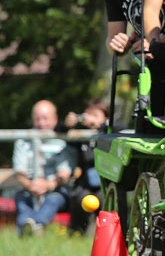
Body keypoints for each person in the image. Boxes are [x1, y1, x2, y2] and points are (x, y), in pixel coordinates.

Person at [12, 100, 76, 237]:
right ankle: (28, 227)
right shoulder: (23, 141)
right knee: (21, 200)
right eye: (37, 119)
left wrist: (47, 185)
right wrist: (32, 186)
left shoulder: (63, 142)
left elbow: (64, 174)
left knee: (53, 199)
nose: (41, 123)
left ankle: (34, 226)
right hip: (29, 188)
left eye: (45, 118)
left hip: (56, 189)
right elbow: (19, 173)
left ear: (55, 119)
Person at [58, 101, 109, 233]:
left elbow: (121, 127)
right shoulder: (80, 135)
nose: (90, 118)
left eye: (95, 115)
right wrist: (67, 125)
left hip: (107, 184)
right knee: (79, 200)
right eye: (87, 115)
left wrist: (100, 126)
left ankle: (106, 236)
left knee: (106, 203)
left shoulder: (110, 132)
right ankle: (76, 234)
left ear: (105, 118)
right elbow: (58, 131)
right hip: (84, 185)